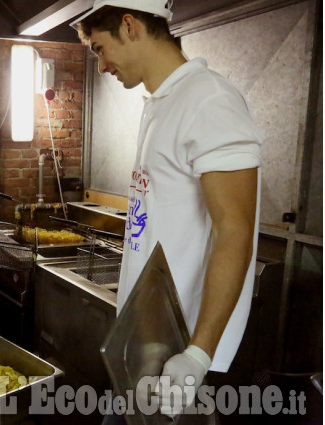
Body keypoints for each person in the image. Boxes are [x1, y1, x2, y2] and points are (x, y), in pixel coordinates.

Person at [73, 0, 262, 421]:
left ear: (130, 25)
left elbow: (235, 231)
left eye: (100, 49)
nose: (102, 66)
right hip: (148, 340)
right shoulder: (161, 103)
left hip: (181, 349)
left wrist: (198, 354)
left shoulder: (209, 101)